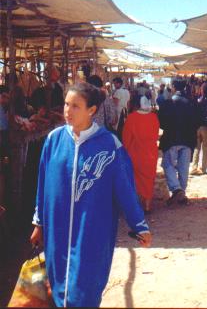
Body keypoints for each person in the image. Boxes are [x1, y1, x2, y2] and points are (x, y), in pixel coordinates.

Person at [30, 82, 151, 307]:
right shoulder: (53, 140)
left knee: (85, 289)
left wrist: (139, 225)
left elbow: (125, 188)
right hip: (57, 230)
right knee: (59, 289)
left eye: (75, 106)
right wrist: (39, 223)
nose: (68, 111)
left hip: (93, 230)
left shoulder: (109, 145)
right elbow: (43, 183)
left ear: (92, 110)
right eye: (66, 104)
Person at [158, 78, 198, 205]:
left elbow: (162, 123)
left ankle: (176, 189)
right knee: (183, 167)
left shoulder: (167, 103)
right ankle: (181, 193)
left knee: (167, 164)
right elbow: (196, 121)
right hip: (188, 139)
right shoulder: (191, 102)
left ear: (173, 87)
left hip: (171, 139)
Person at [122, 94, 160, 213]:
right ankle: (148, 205)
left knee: (135, 180)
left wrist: (124, 152)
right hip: (151, 153)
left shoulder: (131, 118)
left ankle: (137, 204)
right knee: (149, 179)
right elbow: (156, 135)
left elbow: (126, 138)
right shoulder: (154, 117)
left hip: (135, 154)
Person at [190, 83, 207, 175]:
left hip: (197, 127)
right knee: (206, 148)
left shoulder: (198, 101)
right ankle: (204, 168)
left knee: (196, 147)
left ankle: (194, 167)